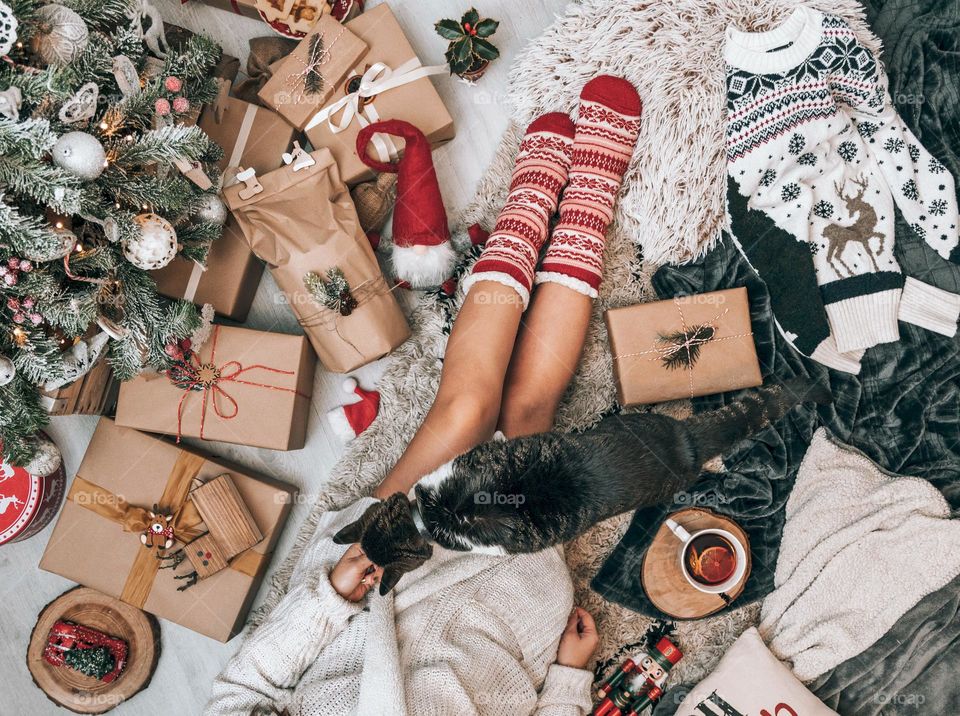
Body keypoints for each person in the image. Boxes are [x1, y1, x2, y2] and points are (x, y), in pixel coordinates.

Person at [206, 75, 642, 716]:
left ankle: (527, 209)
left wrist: (329, 596)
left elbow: (241, 692)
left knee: (464, 409)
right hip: (497, 639)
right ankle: (588, 203)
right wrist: (570, 687)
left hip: (380, 582)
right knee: (529, 426)